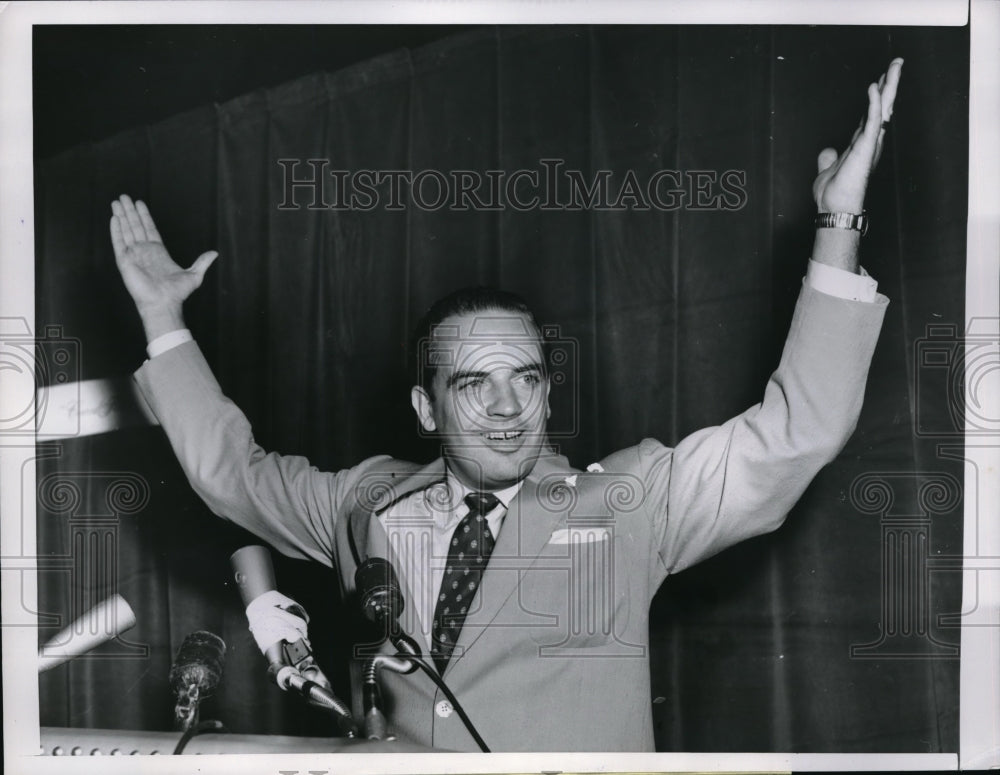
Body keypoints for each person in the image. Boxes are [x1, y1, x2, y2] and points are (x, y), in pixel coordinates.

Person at [110, 59, 903, 752]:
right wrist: (161, 317)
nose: (507, 406)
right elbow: (234, 476)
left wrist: (838, 224)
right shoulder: (364, 502)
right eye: (472, 384)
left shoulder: (631, 502)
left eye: (526, 378)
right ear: (425, 408)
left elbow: (797, 432)